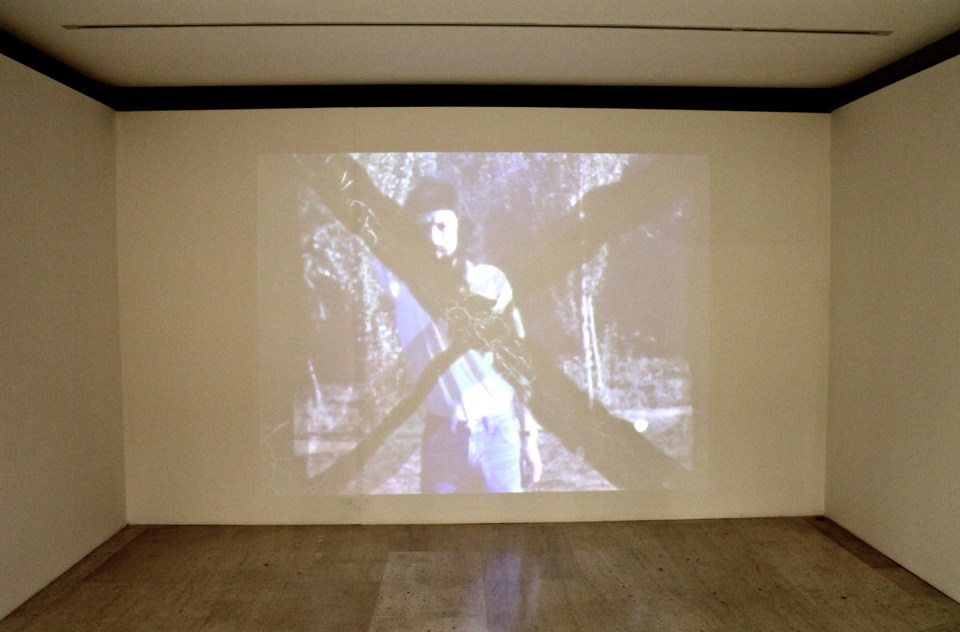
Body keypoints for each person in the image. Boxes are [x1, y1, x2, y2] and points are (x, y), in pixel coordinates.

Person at [384, 179, 543, 493]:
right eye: (423, 228)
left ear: (461, 225)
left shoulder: (491, 282)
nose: (433, 237)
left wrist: (529, 439)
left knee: (509, 526)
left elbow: (519, 364)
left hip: (499, 436)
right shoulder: (405, 290)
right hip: (442, 438)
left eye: (442, 225)